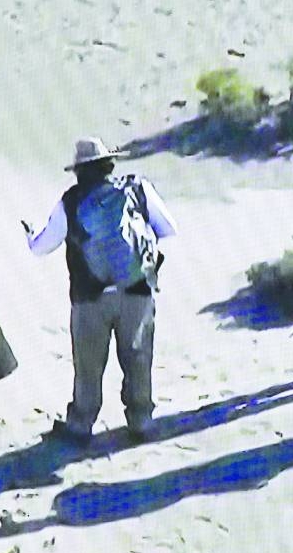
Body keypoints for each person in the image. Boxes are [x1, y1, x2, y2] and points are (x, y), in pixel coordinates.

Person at [24, 137, 178, 447]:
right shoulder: (137, 189)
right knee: (138, 356)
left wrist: (30, 238)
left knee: (89, 364)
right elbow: (169, 229)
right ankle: (141, 420)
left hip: (89, 296)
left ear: (79, 171)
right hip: (137, 290)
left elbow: (43, 247)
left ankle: (81, 424)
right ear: (109, 165)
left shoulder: (70, 201)